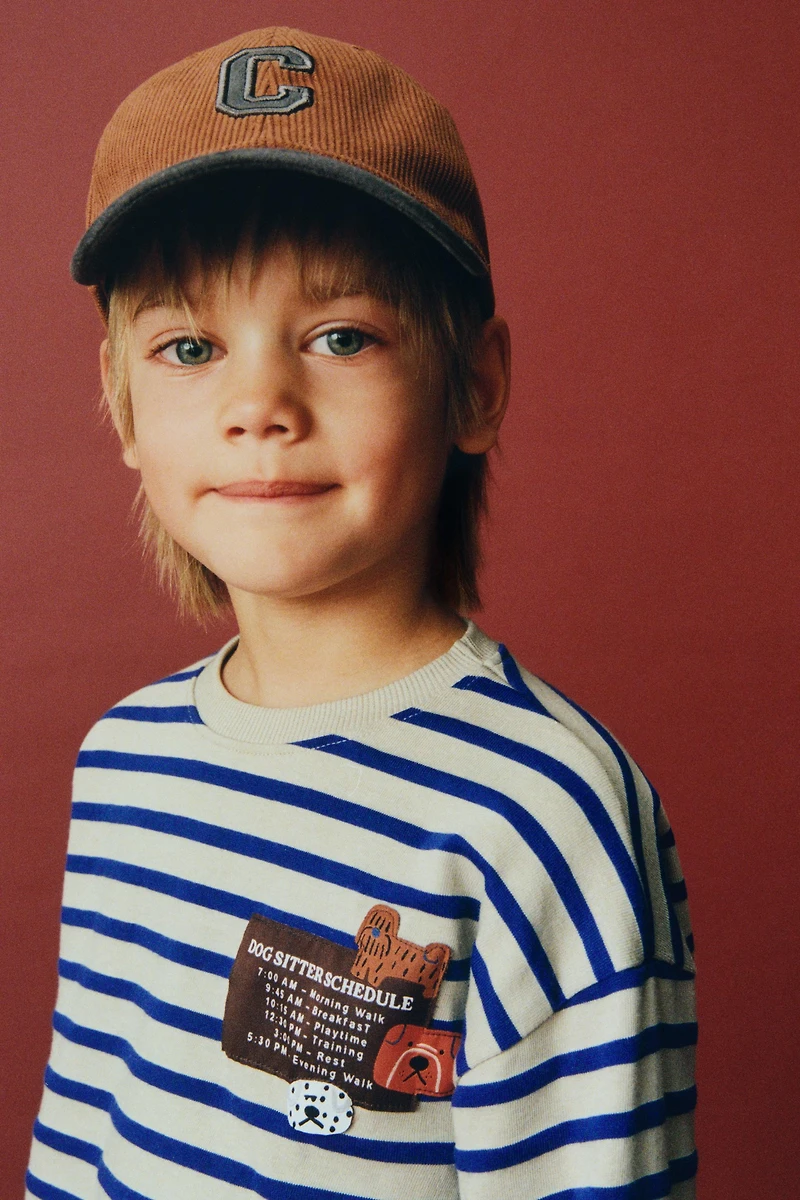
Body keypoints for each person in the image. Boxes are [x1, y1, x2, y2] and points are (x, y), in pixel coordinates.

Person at [26, 27, 697, 1200]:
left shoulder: (543, 810)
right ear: (121, 408)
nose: (259, 404)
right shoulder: (122, 762)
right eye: (189, 346)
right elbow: (81, 1136)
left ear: (474, 384)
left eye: (341, 337)